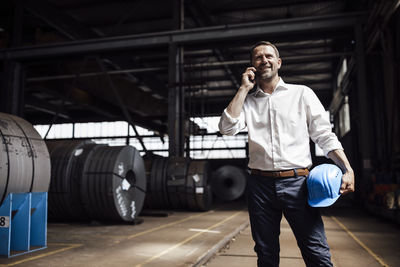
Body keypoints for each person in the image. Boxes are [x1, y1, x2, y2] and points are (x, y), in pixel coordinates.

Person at [218, 41, 355, 267]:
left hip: (299, 184)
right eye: (258, 57)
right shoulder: (248, 102)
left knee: (316, 251)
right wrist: (243, 89)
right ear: (252, 66)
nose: (264, 60)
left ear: (279, 62)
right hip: (259, 186)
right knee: (266, 253)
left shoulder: (302, 94)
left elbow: (324, 136)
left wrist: (347, 169)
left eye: (269, 56)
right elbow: (226, 127)